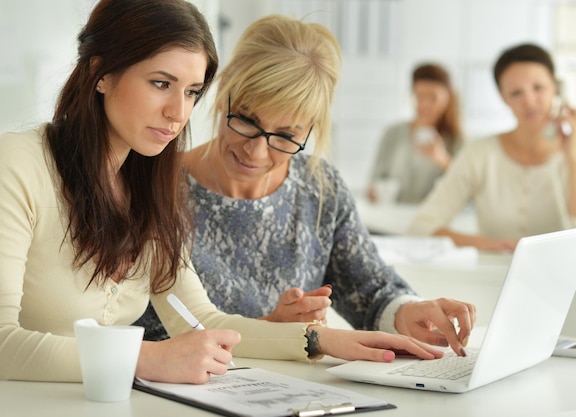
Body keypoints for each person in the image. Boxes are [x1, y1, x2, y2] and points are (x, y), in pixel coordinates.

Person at [0, 0, 468, 384]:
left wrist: (320, 341)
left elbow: (200, 318)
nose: (176, 113)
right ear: (101, 72)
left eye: (190, 92)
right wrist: (146, 359)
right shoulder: (18, 164)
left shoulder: (148, 185)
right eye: (161, 84)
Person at [135, 15, 476, 358]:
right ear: (222, 92)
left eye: (285, 136)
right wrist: (271, 328)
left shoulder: (319, 188)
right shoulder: (155, 187)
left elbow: (370, 289)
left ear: (311, 130)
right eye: (246, 120)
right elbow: (141, 337)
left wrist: (408, 311)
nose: (256, 151)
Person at [406, 43, 576, 253]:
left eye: (538, 87)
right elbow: (419, 229)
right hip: (494, 281)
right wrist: (487, 244)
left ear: (556, 88)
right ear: (503, 98)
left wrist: (572, 158)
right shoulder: (479, 155)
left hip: (570, 283)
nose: (529, 101)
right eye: (516, 93)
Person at [367, 63, 463, 204]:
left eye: (433, 97)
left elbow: (467, 189)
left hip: (435, 220)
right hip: (392, 217)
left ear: (447, 98)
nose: (425, 104)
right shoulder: (392, 133)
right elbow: (375, 180)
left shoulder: (457, 140)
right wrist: (374, 192)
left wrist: (442, 160)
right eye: (419, 96)